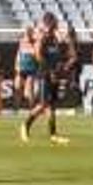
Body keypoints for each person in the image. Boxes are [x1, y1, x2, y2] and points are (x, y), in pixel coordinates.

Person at [19, 12, 70, 145]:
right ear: (50, 23)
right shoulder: (44, 38)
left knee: (51, 106)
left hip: (54, 75)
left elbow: (58, 56)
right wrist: (49, 71)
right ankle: (25, 126)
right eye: (55, 21)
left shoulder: (55, 39)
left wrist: (59, 68)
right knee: (42, 104)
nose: (57, 24)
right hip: (44, 75)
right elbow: (38, 55)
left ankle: (53, 135)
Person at [14, 25, 41, 111]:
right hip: (21, 68)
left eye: (30, 33)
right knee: (17, 87)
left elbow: (37, 55)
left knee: (29, 89)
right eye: (27, 33)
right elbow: (18, 54)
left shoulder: (35, 43)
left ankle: (31, 107)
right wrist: (17, 65)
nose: (28, 35)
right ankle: (16, 107)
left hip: (31, 68)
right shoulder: (22, 42)